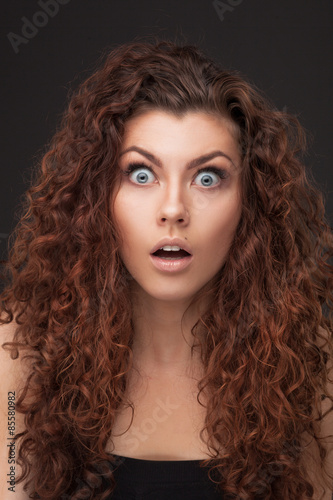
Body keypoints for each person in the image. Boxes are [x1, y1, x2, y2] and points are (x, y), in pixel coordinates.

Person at [0, 38, 332, 500]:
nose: (173, 209)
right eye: (141, 174)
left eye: (208, 177)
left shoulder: (310, 360)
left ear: (249, 204)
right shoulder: (17, 349)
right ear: (97, 196)